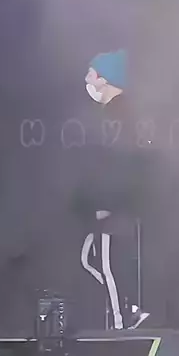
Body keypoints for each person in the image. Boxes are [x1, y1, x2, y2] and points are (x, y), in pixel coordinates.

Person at [74, 49, 151, 330]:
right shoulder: (115, 113)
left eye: (90, 73)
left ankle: (123, 322)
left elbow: (118, 163)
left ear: (104, 79)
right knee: (90, 259)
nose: (86, 79)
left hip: (115, 203)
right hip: (115, 201)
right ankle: (127, 308)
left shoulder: (119, 115)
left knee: (106, 263)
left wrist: (106, 202)